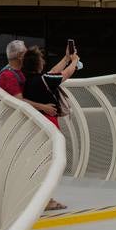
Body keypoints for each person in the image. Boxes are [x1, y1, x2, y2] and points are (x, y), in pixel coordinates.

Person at [21, 43, 78, 211]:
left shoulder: (26, 79)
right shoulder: (44, 80)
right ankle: (46, 200)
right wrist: (74, 61)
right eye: (41, 59)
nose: (43, 62)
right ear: (38, 64)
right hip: (48, 124)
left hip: (33, 125)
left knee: (40, 162)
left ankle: (41, 197)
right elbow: (65, 74)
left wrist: (66, 58)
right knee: (50, 163)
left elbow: (53, 71)